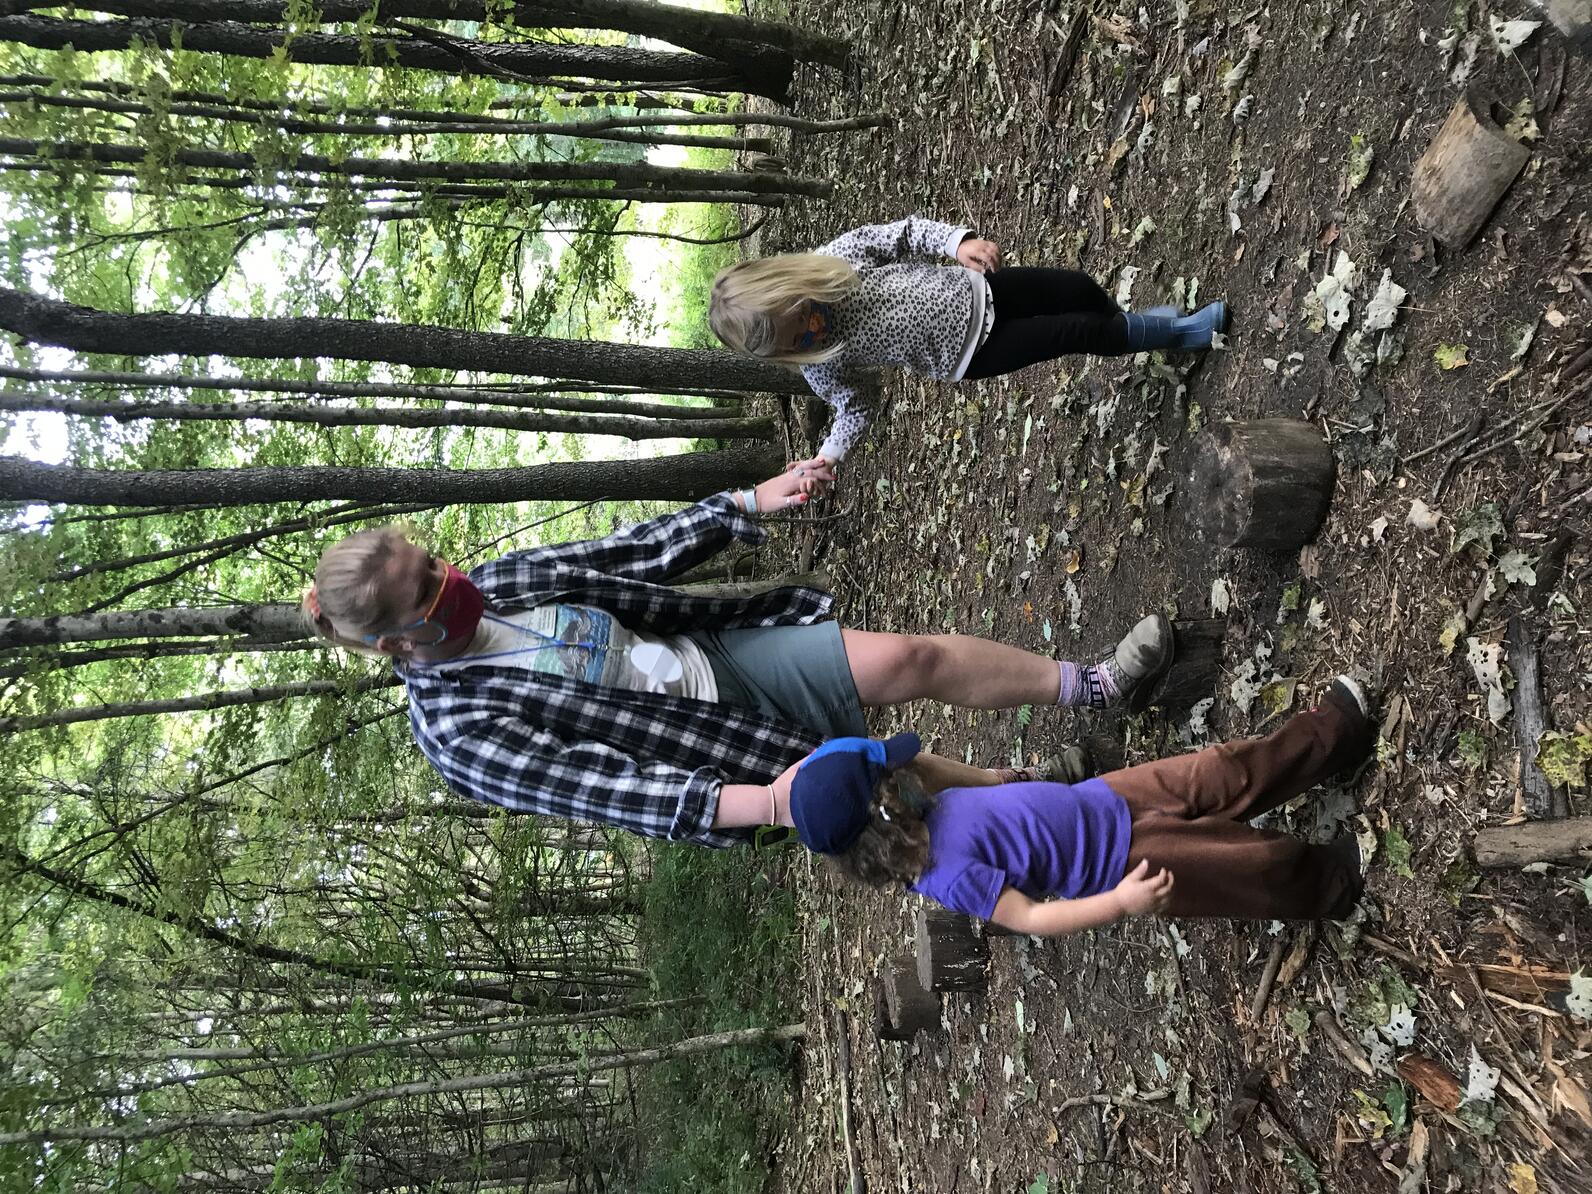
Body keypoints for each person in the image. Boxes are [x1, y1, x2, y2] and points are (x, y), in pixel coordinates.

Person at [302, 465, 1173, 848]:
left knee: (909, 657)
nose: (450, 582)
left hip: (723, 654)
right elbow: (604, 790)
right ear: (391, 643)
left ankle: (1092, 687)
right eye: (425, 593)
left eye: (432, 562)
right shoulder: (455, 731)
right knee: (900, 784)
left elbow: (624, 556)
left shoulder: (497, 582)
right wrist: (764, 805)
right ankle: (1047, 798)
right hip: (723, 757)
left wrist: (742, 505)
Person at [788, 677, 1372, 929]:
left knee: (1221, 769)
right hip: (1119, 863)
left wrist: (994, 780)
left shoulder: (923, 808)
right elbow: (1034, 918)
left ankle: (1331, 736)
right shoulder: (948, 874)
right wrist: (1120, 902)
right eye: (892, 776)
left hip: (1105, 798)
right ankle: (1334, 884)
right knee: (1240, 866)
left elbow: (932, 768)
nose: (906, 770)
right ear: (884, 812)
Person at [707, 215, 1227, 471]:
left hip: (981, 288)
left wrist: (957, 243)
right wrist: (829, 453)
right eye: (796, 340)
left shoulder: (836, 263)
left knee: (1079, 289)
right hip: (971, 352)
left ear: (791, 282)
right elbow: (855, 405)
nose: (809, 332)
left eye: (801, 315)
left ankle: (1135, 328)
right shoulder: (821, 366)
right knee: (1080, 331)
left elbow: (904, 234)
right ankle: (1179, 333)